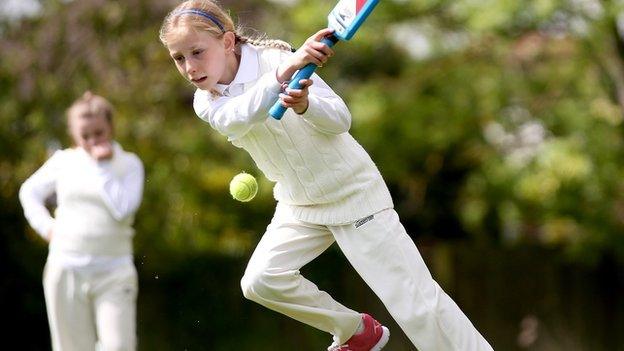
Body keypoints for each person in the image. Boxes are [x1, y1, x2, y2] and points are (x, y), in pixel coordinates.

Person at [159, 1, 494, 350]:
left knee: (417, 307)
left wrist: (307, 106)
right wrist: (289, 70)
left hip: (353, 194)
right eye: (179, 58)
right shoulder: (208, 100)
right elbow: (243, 114)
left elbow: (340, 120)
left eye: (197, 52)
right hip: (299, 204)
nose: (189, 67)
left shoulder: (275, 59)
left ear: (228, 42)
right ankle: (357, 332)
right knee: (261, 281)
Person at [19, 92, 144, 351]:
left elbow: (123, 209)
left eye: (99, 132)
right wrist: (46, 227)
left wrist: (104, 167)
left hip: (114, 272)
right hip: (66, 269)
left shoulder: (129, 164)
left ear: (110, 127)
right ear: (74, 134)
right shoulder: (64, 161)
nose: (93, 140)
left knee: (119, 347)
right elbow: (28, 192)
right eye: (84, 136)